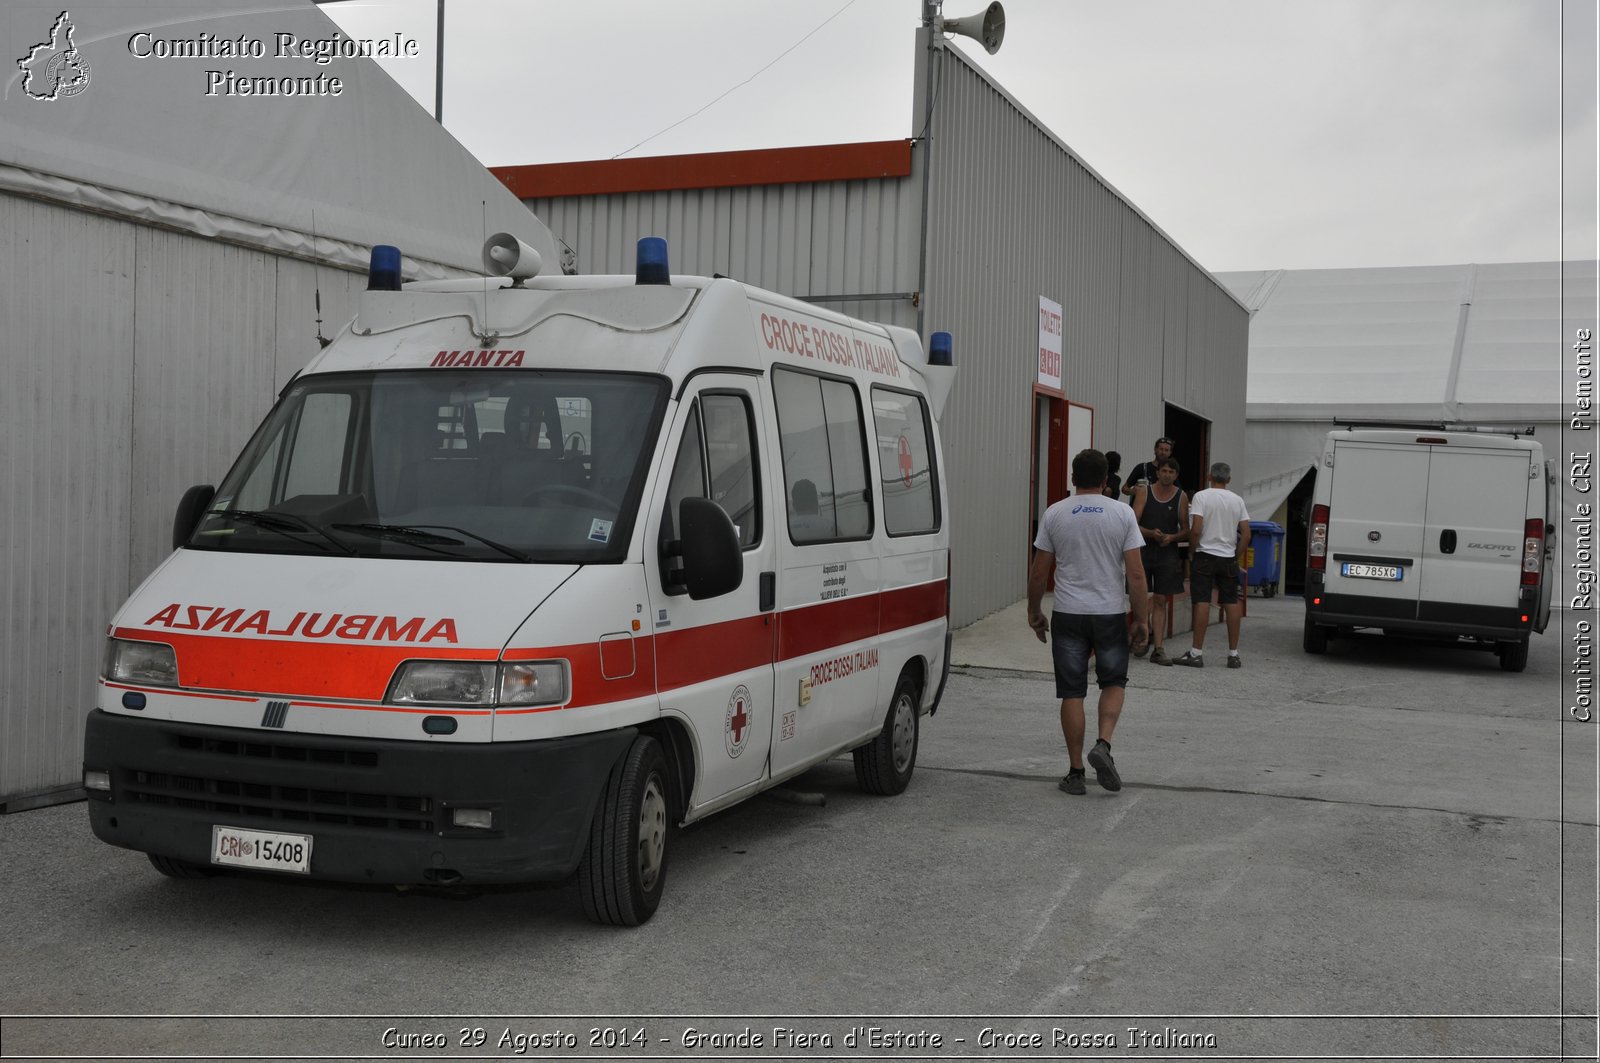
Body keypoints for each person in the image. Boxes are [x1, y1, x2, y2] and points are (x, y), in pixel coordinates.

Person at [1027, 449, 1150, 795]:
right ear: (1105, 480)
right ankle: (1104, 745)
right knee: (1113, 682)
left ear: (1072, 478)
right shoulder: (1122, 514)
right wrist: (1141, 619)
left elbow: (1039, 571)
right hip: (1109, 614)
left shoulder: (1054, 514)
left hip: (1068, 613)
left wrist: (1034, 612)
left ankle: (1076, 772)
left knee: (1072, 692)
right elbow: (1136, 575)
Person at [1170, 461, 1252, 669]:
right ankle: (1233, 654)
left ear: (1209, 476)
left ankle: (1196, 653)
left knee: (1202, 601)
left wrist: (1190, 552)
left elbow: (1196, 529)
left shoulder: (1201, 497)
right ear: (1229, 479)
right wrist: (1235, 556)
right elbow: (1246, 534)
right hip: (1228, 558)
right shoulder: (1237, 501)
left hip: (1205, 555)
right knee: (1231, 602)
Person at [1132, 457, 1189, 665]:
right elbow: (1132, 523)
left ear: (1176, 476)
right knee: (1140, 595)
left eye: (1171, 472)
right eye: (1163, 471)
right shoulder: (1144, 492)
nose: (1166, 475)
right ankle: (1141, 636)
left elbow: (1186, 529)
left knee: (1161, 600)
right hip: (1144, 550)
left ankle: (1158, 647)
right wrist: (1149, 533)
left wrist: (1172, 537)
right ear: (1158, 473)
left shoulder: (1181, 496)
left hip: (1167, 552)